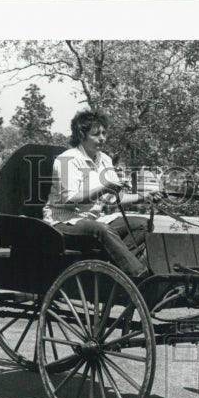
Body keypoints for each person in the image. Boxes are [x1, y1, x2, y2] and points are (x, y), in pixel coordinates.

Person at [43, 108, 161, 284]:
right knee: (102, 230)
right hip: (63, 223)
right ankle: (139, 277)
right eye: (96, 134)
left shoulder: (104, 159)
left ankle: (116, 269)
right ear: (81, 134)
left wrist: (145, 196)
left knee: (143, 225)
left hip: (95, 221)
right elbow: (71, 198)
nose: (102, 138)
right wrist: (104, 187)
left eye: (104, 133)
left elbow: (117, 198)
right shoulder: (67, 159)